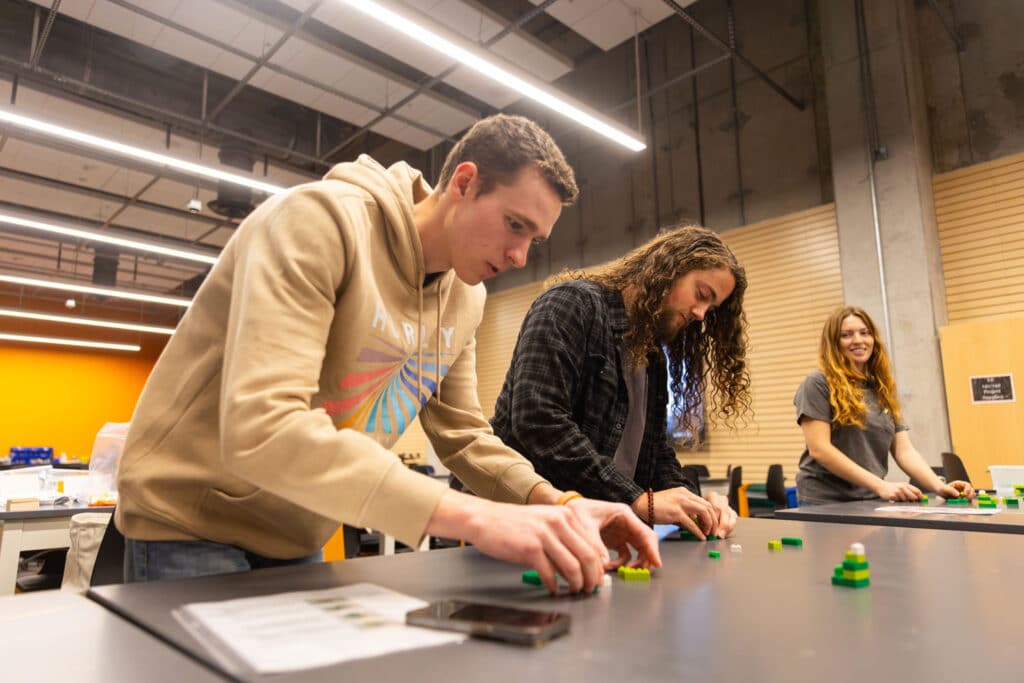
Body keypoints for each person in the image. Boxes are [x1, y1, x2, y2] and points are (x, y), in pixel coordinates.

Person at [115, 114, 659, 595]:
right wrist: (476, 517)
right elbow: (262, 427)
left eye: (533, 240)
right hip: (189, 521)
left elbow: (465, 436)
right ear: (464, 183)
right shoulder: (318, 222)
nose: (519, 255)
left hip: (297, 529)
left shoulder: (466, 297)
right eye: (514, 225)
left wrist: (559, 503)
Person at [490, 225, 752, 540]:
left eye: (711, 309)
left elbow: (655, 452)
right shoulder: (571, 305)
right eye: (701, 294)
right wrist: (637, 499)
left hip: (586, 533)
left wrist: (693, 503)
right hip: (519, 524)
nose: (700, 314)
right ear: (669, 269)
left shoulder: (653, 356)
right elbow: (538, 421)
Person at [794, 305, 974, 504]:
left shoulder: (881, 387)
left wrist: (939, 486)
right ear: (833, 343)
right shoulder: (818, 383)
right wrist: (881, 486)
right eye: (846, 335)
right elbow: (820, 450)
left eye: (865, 333)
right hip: (825, 501)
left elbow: (903, 451)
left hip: (869, 498)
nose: (858, 340)